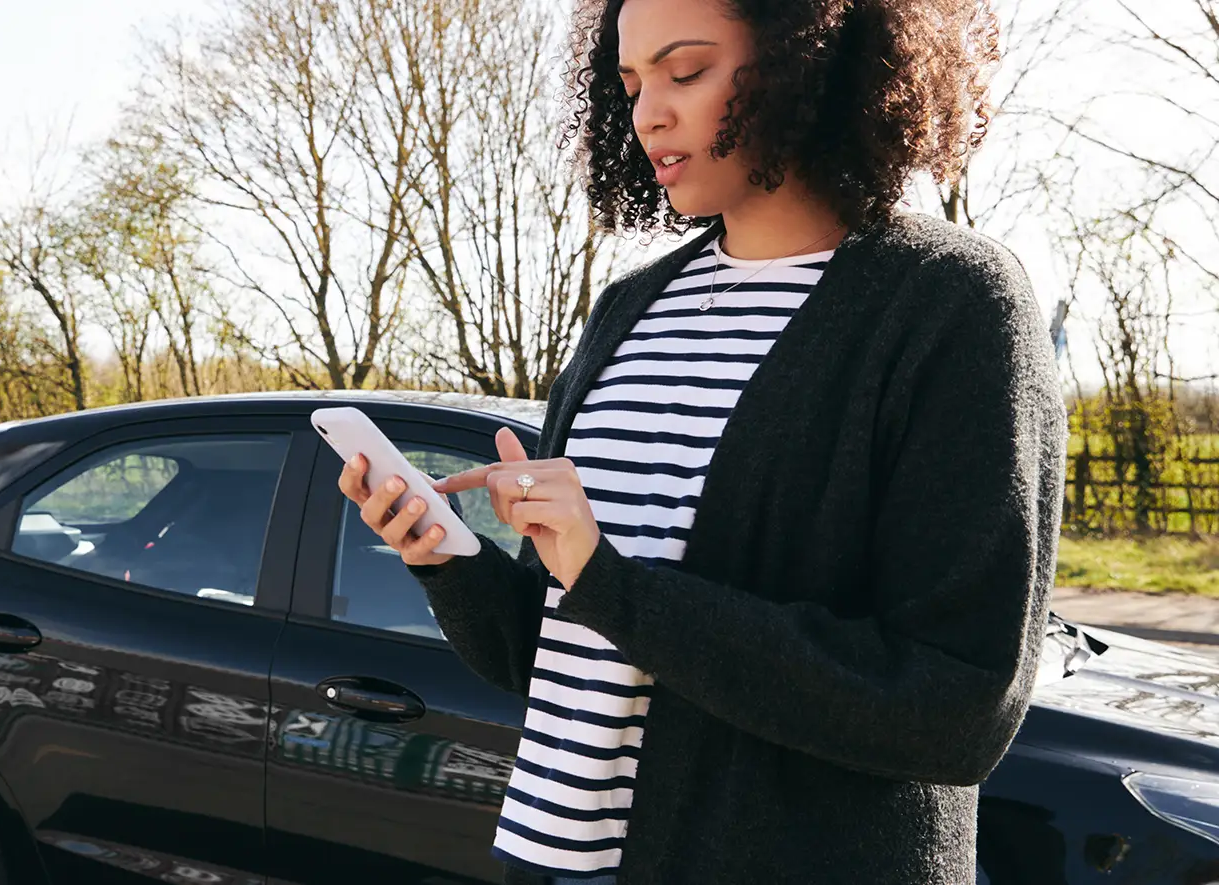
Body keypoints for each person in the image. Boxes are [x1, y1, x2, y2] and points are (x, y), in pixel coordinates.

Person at [336, 0, 1066, 882]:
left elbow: (953, 710)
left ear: (812, 60)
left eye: (686, 71)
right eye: (632, 83)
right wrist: (447, 560)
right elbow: (561, 657)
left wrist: (610, 578)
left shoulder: (951, 306)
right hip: (552, 856)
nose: (648, 112)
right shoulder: (629, 311)